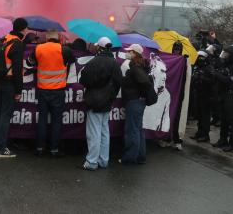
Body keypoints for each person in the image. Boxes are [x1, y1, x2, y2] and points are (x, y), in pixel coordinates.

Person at [30, 30, 75, 157]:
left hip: (42, 89)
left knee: (42, 120)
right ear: (58, 38)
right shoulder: (64, 49)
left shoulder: (39, 48)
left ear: (47, 37)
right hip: (58, 90)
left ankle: (39, 148)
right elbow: (72, 61)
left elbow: (30, 62)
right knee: (56, 121)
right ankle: (54, 149)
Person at [79, 36, 121, 170]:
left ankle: (91, 162)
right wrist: (111, 95)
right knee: (104, 131)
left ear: (99, 47)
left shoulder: (95, 61)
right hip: (107, 101)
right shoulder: (114, 63)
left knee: (94, 132)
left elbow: (84, 79)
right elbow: (118, 82)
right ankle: (103, 161)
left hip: (94, 100)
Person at [0, 17, 28, 158]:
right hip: (9, 83)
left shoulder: (4, 38)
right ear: (23, 29)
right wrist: (18, 90)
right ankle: (1, 148)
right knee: (5, 115)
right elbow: (17, 70)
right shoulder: (17, 44)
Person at [120, 43, 153, 165]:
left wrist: (138, 92)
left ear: (135, 54)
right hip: (138, 101)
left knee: (132, 130)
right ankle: (140, 156)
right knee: (138, 129)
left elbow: (145, 83)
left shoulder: (135, 68)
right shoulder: (139, 67)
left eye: (130, 51)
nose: (127, 53)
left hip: (134, 101)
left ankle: (130, 158)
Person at [191, 50, 215, 142]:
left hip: (206, 95)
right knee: (199, 115)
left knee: (205, 116)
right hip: (198, 93)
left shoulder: (209, 68)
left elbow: (212, 81)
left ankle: (205, 135)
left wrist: (202, 77)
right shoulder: (197, 67)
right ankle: (199, 133)